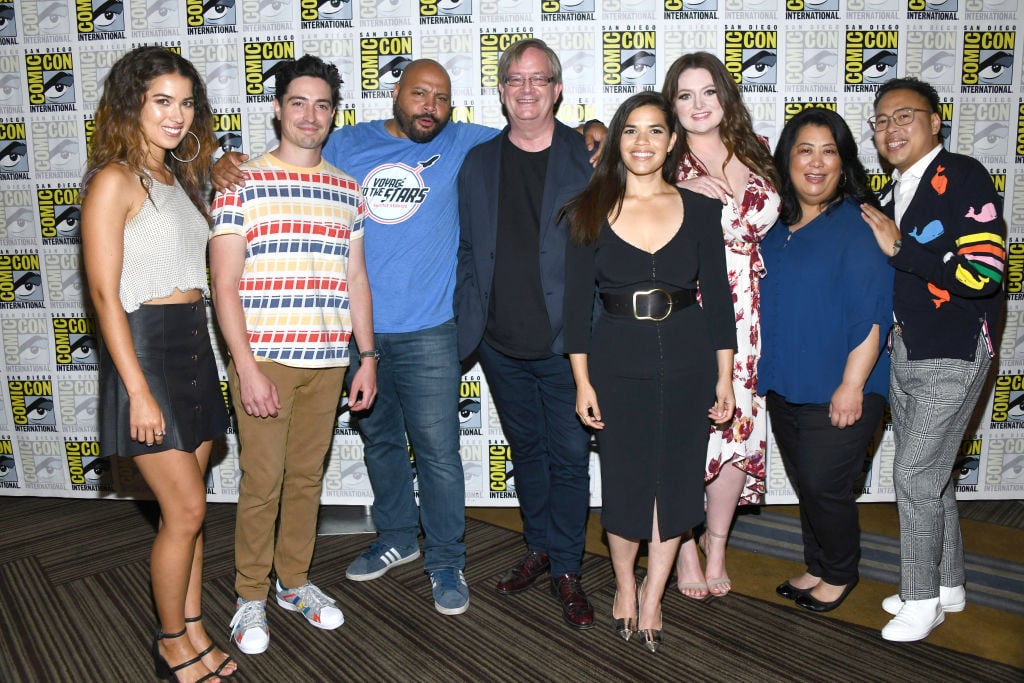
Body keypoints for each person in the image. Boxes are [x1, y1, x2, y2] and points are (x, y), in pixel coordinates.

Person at [213, 59, 604, 617]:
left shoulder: (469, 142)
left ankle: (446, 559)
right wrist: (223, 161)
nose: (430, 107)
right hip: (356, 335)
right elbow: (284, 153)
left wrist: (596, 134)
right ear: (394, 93)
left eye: (442, 98)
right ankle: (395, 535)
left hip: (430, 329)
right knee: (381, 443)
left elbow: (535, 131)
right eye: (419, 94)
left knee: (440, 454)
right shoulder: (346, 142)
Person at [209, 55, 376, 655]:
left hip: (329, 361)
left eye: (323, 104)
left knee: (307, 480)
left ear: (333, 114)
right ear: (277, 108)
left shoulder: (346, 189)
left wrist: (368, 356)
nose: (310, 115)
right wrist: (246, 366)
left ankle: (294, 583)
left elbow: (356, 279)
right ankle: (249, 593)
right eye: (298, 102)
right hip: (266, 360)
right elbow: (223, 284)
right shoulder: (242, 182)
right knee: (262, 482)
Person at [81, 45, 234, 682]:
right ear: (131, 105)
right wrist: (137, 391)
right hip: (145, 352)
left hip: (192, 345)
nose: (176, 115)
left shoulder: (179, 178)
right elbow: (101, 295)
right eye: (161, 102)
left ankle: (195, 627)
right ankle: (172, 641)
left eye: (186, 102)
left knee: (186, 511)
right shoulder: (114, 180)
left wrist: (221, 165)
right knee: (189, 513)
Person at [564, 91, 736, 652]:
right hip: (615, 360)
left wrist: (725, 377)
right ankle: (622, 586)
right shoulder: (588, 208)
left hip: (688, 358)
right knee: (625, 482)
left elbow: (720, 302)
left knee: (677, 484)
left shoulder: (703, 210)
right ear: (618, 139)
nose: (643, 141)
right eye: (632, 130)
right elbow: (573, 309)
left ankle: (655, 594)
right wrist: (583, 382)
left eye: (656, 130)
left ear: (673, 140)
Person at [456, 38, 596, 630]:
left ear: (557, 90)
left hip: (569, 349)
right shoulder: (480, 161)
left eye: (539, 80)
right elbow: (468, 249)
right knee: (528, 453)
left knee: (568, 458)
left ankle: (567, 567)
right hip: (499, 344)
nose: (527, 90)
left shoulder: (589, 158)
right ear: (502, 90)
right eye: (516, 80)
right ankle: (537, 548)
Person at [860, 77, 1006, 642]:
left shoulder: (963, 175)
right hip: (908, 348)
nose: (891, 128)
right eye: (881, 120)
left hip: (954, 347)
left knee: (915, 474)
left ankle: (921, 602)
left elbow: (984, 273)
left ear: (935, 122)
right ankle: (949, 584)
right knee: (936, 474)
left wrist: (904, 249)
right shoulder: (891, 191)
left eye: (905, 116)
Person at [759, 108, 893, 613]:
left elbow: (874, 312)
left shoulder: (858, 223)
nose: (816, 163)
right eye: (804, 150)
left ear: (844, 162)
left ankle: (840, 571)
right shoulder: (779, 224)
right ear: (787, 160)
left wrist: (852, 385)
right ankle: (817, 563)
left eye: (829, 151)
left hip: (841, 381)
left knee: (825, 485)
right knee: (807, 483)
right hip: (788, 380)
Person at [661, 52, 781, 600]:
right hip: (691, 311)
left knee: (738, 433)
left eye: (707, 91)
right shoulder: (662, 160)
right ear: (672, 105)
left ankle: (716, 545)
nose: (698, 104)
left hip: (751, 316)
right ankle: (682, 547)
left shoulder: (757, 152)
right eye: (684, 95)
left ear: (725, 95)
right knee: (686, 436)